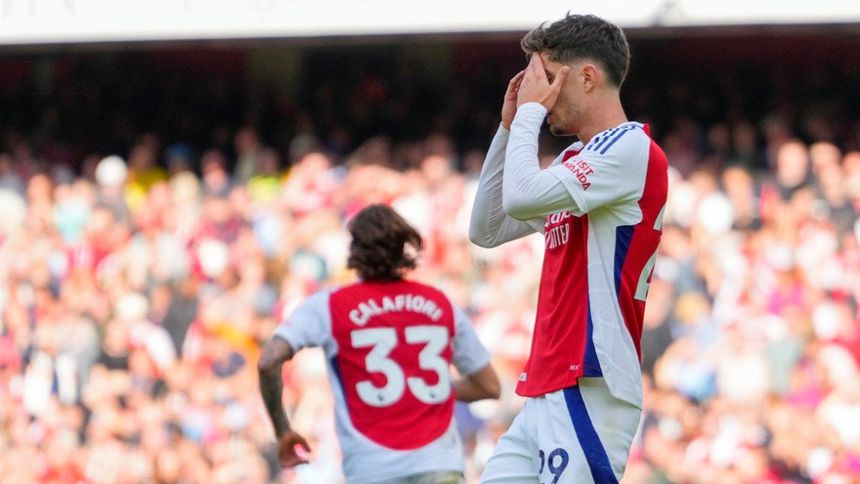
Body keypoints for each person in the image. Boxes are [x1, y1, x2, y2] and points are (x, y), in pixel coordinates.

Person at [469, 13, 668, 483]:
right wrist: (508, 128)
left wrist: (529, 116)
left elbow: (520, 196)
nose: (541, 95)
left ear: (587, 77)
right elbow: (487, 227)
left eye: (547, 80)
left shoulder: (631, 149)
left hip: (591, 384)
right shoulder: (576, 158)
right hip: (547, 385)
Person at [258, 204, 500, 484]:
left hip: (373, 468)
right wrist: (422, 389)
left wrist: (283, 431)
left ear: (354, 251)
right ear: (405, 248)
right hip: (438, 463)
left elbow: (269, 361)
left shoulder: (329, 306)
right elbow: (489, 386)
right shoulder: (440, 303)